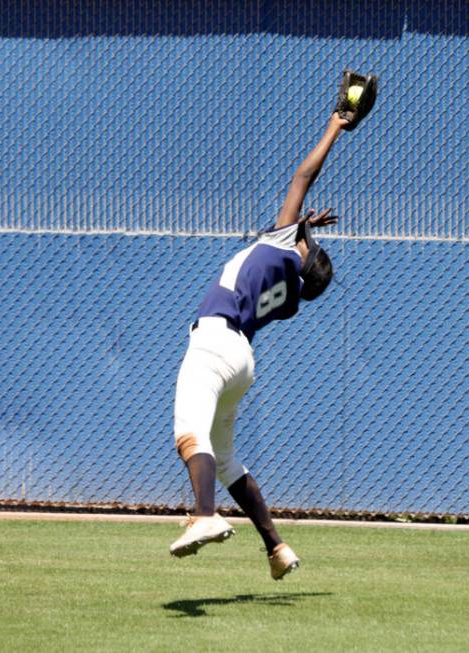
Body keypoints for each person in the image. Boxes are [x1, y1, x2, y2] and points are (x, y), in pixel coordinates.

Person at [169, 109, 351, 580]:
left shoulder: (283, 243)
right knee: (225, 457)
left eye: (307, 243)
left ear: (301, 252)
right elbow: (292, 257)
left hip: (212, 342)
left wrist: (334, 125)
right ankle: (276, 546)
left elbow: (303, 175)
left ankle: (204, 514)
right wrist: (304, 234)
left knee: (189, 432)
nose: (306, 236)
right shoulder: (294, 294)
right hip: (242, 360)